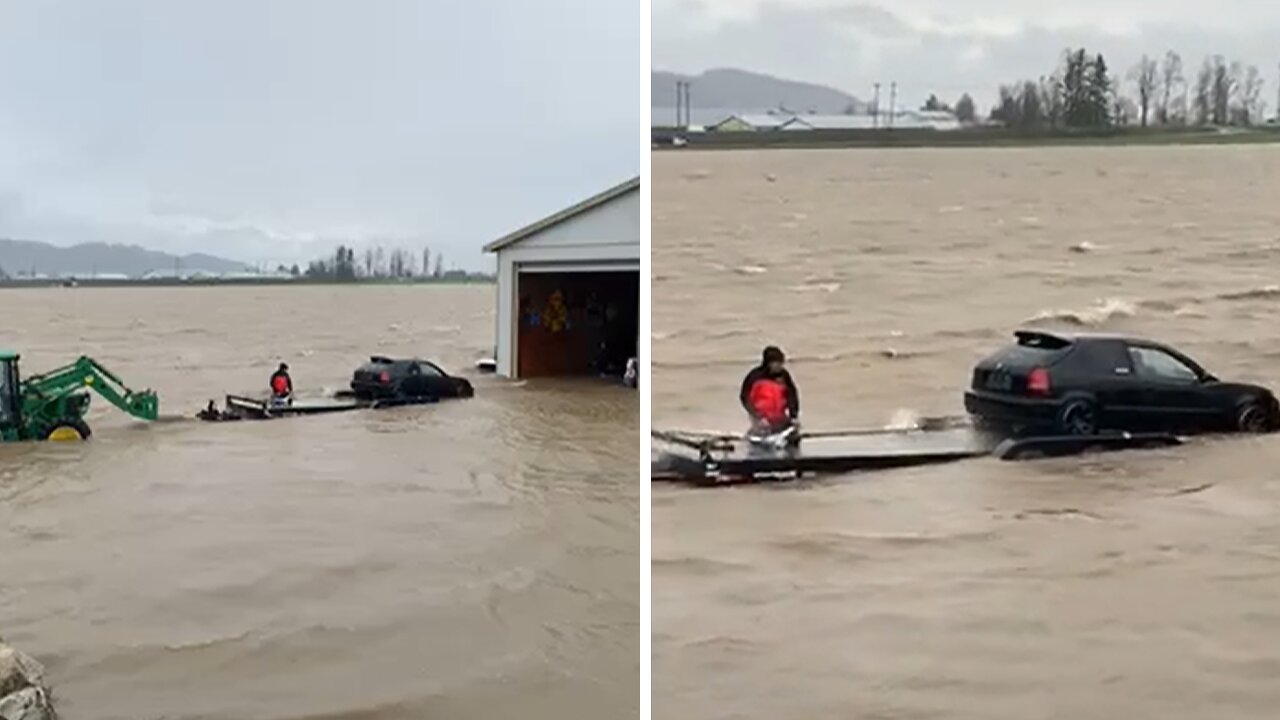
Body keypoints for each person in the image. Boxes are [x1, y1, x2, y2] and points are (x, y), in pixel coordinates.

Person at [740, 345, 800, 437]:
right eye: (777, 363)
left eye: (781, 363)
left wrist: (794, 416)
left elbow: (792, 395)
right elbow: (745, 398)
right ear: (769, 363)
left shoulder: (784, 376)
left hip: (780, 418)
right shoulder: (754, 377)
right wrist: (758, 417)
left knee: (793, 436)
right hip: (761, 421)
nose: (780, 366)